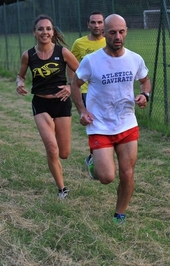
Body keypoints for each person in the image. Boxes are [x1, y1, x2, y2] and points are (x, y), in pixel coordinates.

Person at [70, 14, 152, 223]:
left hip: (127, 123)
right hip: (100, 125)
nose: (117, 36)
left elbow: (145, 80)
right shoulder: (92, 60)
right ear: (104, 33)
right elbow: (75, 84)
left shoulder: (135, 59)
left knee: (127, 173)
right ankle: (93, 164)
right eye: (113, 32)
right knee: (106, 177)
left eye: (121, 31)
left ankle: (119, 214)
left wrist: (145, 95)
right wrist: (81, 110)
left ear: (126, 32)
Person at [16, 15, 79, 199]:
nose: (45, 32)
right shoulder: (28, 55)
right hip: (41, 102)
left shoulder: (63, 52)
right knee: (52, 148)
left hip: (61, 103)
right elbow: (20, 75)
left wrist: (69, 86)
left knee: (64, 153)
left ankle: (59, 166)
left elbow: (82, 72)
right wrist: (19, 83)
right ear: (34, 32)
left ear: (53, 32)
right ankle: (62, 189)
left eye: (48, 29)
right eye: (41, 29)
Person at [70, 11, 106, 175]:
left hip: (106, 91)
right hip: (86, 90)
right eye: (93, 22)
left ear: (104, 24)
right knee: (93, 124)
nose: (96, 25)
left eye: (99, 22)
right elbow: (70, 63)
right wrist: (73, 84)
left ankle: (96, 154)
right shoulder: (79, 43)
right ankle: (94, 156)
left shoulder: (109, 41)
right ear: (88, 25)